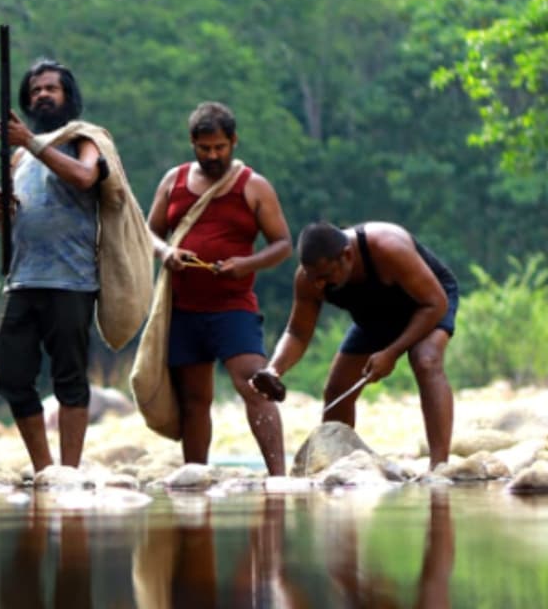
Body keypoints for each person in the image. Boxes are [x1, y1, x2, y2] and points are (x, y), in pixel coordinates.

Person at [145, 101, 292, 475]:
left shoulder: (253, 186)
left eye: (220, 148)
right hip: (183, 308)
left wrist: (246, 264)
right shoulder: (174, 181)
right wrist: (166, 252)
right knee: (194, 400)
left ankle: (279, 477)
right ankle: (195, 476)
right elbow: (148, 233)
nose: (213, 155)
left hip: (233, 306)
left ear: (234, 141)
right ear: (192, 143)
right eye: (205, 148)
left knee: (255, 384)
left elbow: (282, 245)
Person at [0, 58, 106, 472]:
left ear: (67, 96)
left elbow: (86, 177)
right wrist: (1, 212)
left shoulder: (85, 139)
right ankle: (44, 468)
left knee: (69, 378)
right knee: (12, 376)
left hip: (71, 280)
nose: (42, 95)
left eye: (51, 89)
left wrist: (30, 141)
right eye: (36, 90)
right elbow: (11, 223)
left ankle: (69, 470)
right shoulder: (20, 157)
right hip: (22, 279)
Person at [263, 221, 459, 467]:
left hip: (427, 302)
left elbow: (435, 303)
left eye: (325, 276)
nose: (319, 284)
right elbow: (297, 333)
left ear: (347, 256)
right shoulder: (308, 279)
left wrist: (391, 353)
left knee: (425, 360)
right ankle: (336, 465)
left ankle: (439, 466)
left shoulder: (388, 247)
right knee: (336, 389)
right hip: (374, 316)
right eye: (313, 277)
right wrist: (274, 370)